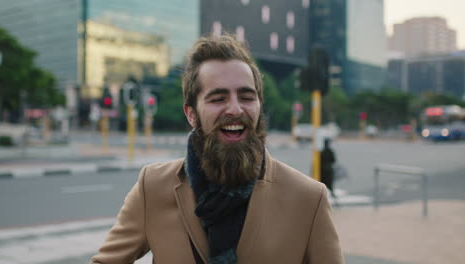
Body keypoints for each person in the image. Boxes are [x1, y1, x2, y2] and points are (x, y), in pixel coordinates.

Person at [91, 34, 343, 264]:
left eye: (246, 97)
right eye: (218, 98)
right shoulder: (153, 187)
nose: (235, 109)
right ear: (191, 113)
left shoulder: (309, 199)